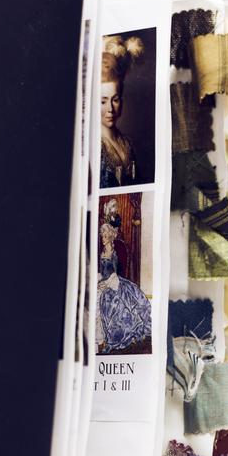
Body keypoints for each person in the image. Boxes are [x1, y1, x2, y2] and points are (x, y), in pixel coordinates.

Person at [96, 199, 151, 355]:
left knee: (111, 303)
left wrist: (106, 284)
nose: (103, 237)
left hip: (114, 283)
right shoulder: (100, 251)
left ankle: (113, 340)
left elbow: (115, 272)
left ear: (112, 235)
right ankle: (100, 340)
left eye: (106, 235)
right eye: (102, 235)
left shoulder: (116, 250)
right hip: (103, 281)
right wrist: (99, 281)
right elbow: (101, 270)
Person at [100, 35, 144, 188]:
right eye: (103, 101)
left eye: (115, 99)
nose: (110, 108)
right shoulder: (93, 148)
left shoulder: (126, 143)